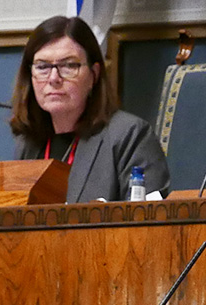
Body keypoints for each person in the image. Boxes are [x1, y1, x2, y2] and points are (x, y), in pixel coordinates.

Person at [9, 16, 170, 203]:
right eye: (43, 67)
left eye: (69, 66)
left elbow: (149, 223)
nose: (53, 78)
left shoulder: (129, 136)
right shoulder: (28, 145)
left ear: (93, 75)